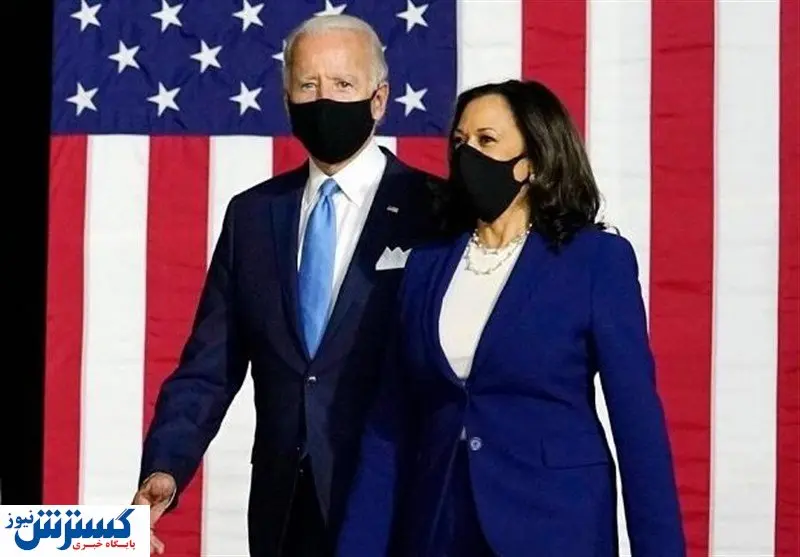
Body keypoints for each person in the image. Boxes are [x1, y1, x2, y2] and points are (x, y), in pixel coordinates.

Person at [335, 79, 687, 557]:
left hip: (553, 525)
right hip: (439, 525)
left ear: (533, 161)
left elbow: (637, 424)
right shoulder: (425, 266)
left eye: (487, 140)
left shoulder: (595, 261)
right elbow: (388, 426)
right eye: (460, 141)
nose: (468, 155)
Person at [131, 14, 441, 557]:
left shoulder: (436, 212)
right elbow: (209, 368)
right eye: (308, 85)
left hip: (398, 502)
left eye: (342, 84)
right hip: (284, 509)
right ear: (286, 99)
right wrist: (166, 467)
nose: (324, 100)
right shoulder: (252, 216)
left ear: (379, 99)